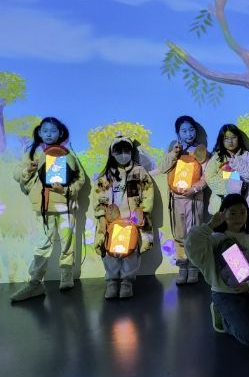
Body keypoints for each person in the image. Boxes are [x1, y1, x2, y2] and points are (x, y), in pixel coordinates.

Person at [185, 194, 249, 347]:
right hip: (225, 293)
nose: (238, 217)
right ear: (222, 213)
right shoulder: (214, 239)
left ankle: (247, 319)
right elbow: (191, 244)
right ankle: (226, 322)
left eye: (242, 212)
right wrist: (210, 226)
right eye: (232, 213)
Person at [10, 117, 87, 302]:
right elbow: (16, 174)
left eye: (53, 131)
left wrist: (67, 190)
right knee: (43, 243)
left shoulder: (67, 152)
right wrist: (29, 170)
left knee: (67, 241)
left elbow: (80, 178)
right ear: (39, 132)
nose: (49, 134)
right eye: (45, 131)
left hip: (65, 205)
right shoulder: (33, 152)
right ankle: (35, 282)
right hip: (43, 206)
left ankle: (66, 275)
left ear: (60, 133)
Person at [93, 135, 155, 299]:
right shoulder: (106, 175)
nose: (123, 155)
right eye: (118, 151)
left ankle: (127, 282)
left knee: (131, 253)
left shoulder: (140, 172)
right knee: (110, 253)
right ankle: (112, 282)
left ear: (131, 152)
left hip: (132, 222)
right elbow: (98, 197)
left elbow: (148, 193)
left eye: (126, 150)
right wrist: (102, 217)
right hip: (112, 223)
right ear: (112, 153)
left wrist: (143, 212)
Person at [158, 116, 209, 285]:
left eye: (191, 129)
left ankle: (193, 267)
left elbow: (207, 176)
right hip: (176, 199)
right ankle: (182, 267)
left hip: (194, 200)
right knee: (179, 234)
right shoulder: (174, 148)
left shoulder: (201, 150)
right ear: (178, 133)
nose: (188, 134)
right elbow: (163, 168)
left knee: (194, 234)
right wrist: (174, 153)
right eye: (184, 130)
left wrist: (195, 189)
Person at [205, 123, 249, 217]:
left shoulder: (247, 155)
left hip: (244, 203)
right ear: (221, 140)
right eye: (226, 138)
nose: (230, 141)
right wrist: (231, 186)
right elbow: (209, 177)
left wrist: (237, 163)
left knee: (242, 225)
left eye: (233, 137)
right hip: (221, 205)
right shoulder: (217, 157)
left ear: (239, 138)